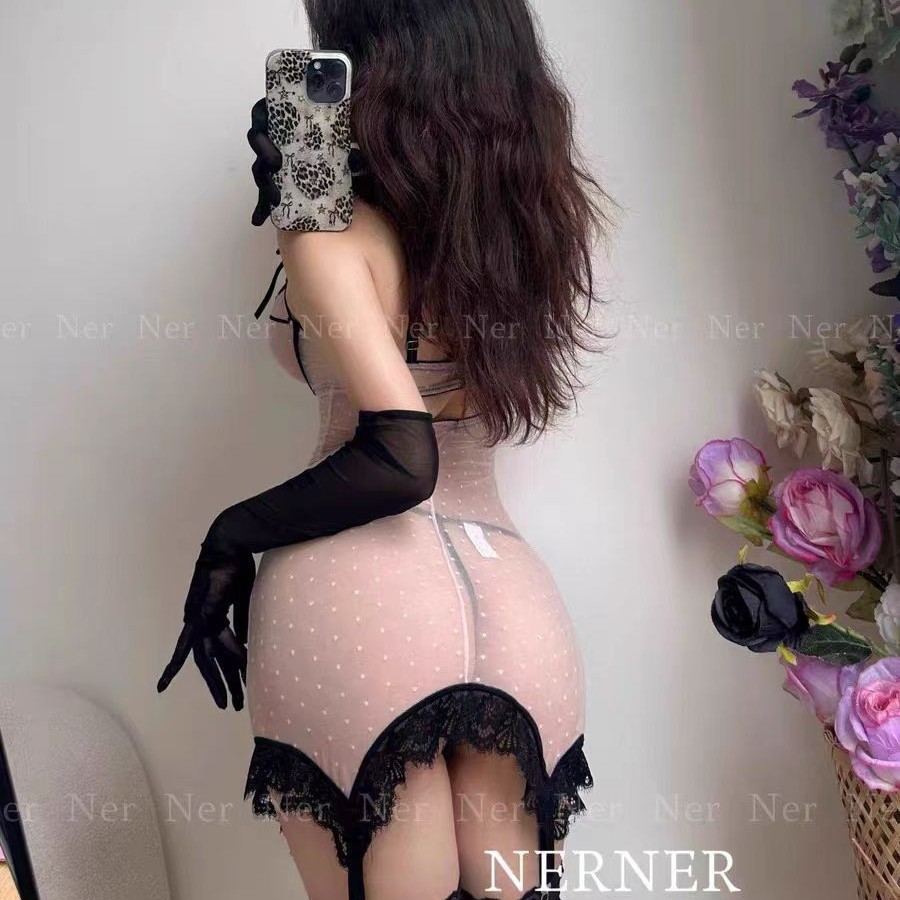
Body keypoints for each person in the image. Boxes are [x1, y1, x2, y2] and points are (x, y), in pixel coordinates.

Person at [158, 1, 614, 898]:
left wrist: (228, 537)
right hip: (516, 606)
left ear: (369, 57)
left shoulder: (328, 226)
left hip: (356, 603)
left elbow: (403, 456)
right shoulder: (530, 225)